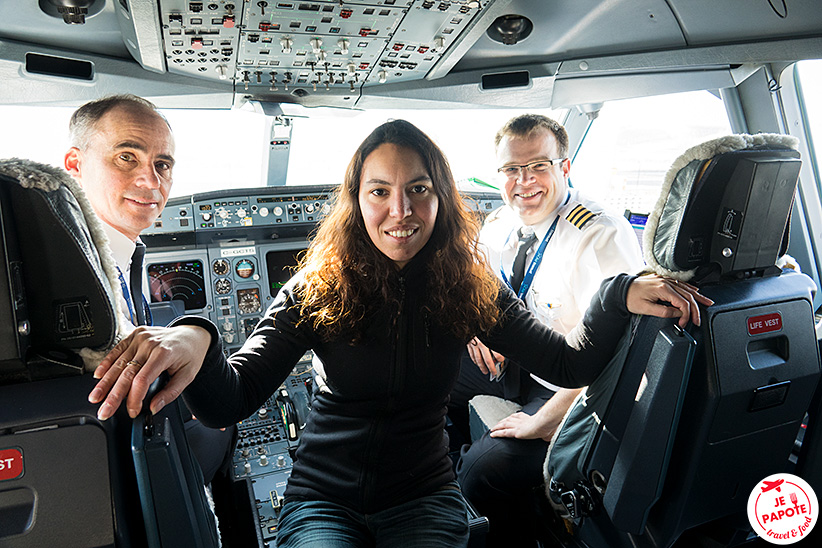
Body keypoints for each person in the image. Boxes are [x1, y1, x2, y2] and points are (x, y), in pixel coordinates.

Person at [86, 119, 709, 548]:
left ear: (441, 198)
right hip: (323, 497)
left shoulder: (470, 287)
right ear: (356, 201)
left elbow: (569, 365)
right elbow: (230, 399)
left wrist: (616, 292)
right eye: (379, 192)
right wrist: (198, 333)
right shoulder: (318, 286)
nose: (401, 212)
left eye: (418, 191)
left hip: (423, 493)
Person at [449, 114, 645, 547]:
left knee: (483, 472)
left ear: (565, 168)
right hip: (515, 363)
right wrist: (478, 334)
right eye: (512, 170)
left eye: (538, 166)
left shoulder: (598, 235)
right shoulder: (500, 225)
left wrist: (543, 421)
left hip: (571, 389)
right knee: (427, 370)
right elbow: (483, 295)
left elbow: (621, 358)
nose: (524, 182)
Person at [65, 94, 234, 485]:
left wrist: (195, 335)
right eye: (127, 157)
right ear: (75, 164)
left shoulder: (113, 254)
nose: (150, 181)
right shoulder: (77, 272)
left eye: (163, 165)